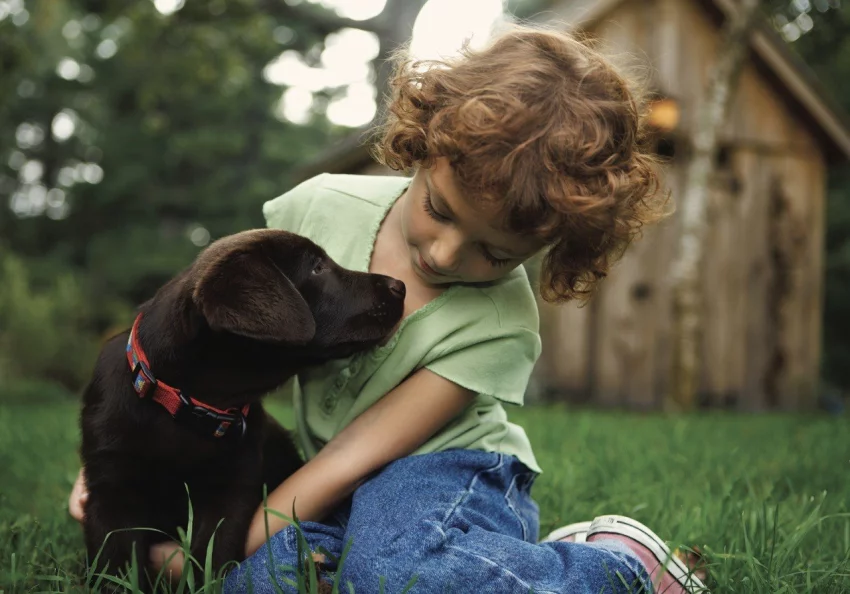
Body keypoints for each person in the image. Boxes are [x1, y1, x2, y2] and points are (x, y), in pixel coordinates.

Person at [70, 22, 709, 594]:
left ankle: (617, 569)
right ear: (425, 146)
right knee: (265, 580)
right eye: (438, 209)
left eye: (494, 253)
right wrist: (110, 464)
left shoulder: (499, 326)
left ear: (550, 245)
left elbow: (356, 455)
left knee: (391, 571)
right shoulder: (318, 207)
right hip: (340, 493)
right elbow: (213, 352)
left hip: (447, 476)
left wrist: (201, 559)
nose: (446, 255)